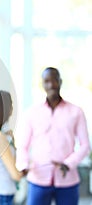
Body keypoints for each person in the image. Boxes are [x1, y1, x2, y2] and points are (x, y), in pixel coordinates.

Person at [16, 67, 91, 205]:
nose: (51, 85)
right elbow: (23, 145)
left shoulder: (76, 112)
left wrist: (68, 164)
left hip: (68, 180)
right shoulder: (32, 113)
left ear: (60, 82)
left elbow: (85, 146)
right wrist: (23, 165)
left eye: (54, 80)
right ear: (43, 84)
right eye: (46, 81)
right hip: (38, 179)